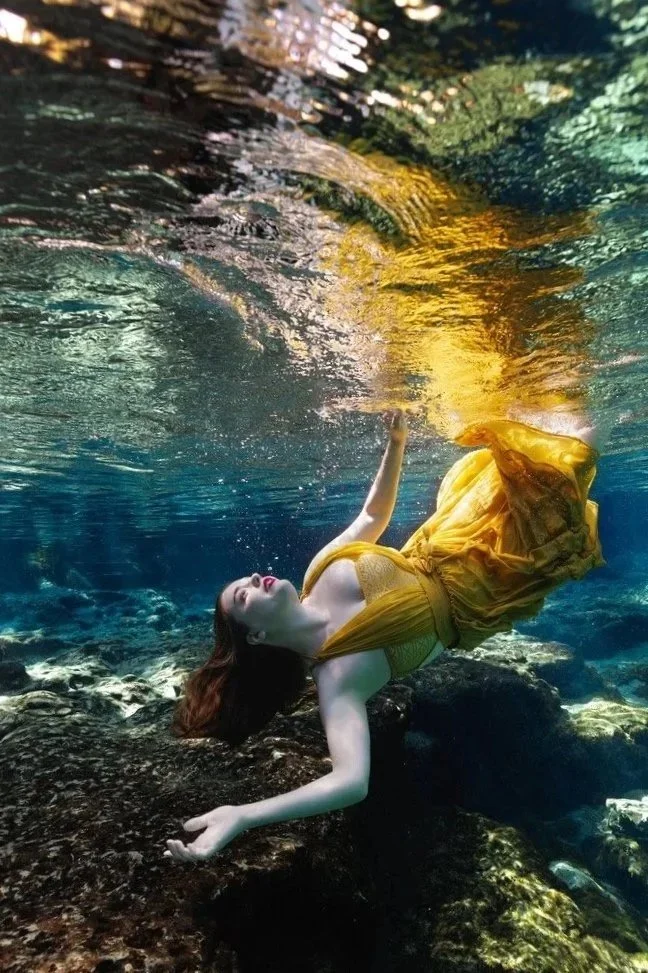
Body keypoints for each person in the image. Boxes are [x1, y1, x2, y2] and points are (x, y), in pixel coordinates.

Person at [164, 406, 606, 863]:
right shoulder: (337, 678)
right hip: (495, 580)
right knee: (574, 455)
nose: (257, 577)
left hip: (457, 532)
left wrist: (395, 446)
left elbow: (372, 515)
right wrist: (243, 816)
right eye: (244, 594)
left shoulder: (319, 570)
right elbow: (350, 782)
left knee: (545, 432)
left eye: (248, 578)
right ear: (256, 636)